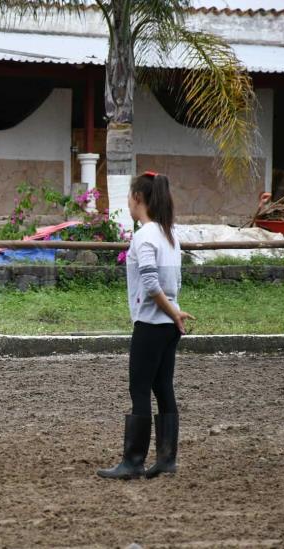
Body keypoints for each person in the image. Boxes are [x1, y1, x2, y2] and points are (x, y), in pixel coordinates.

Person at [97, 171, 195, 480]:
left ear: (138, 198)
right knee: (162, 386)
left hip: (152, 323)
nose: (128, 201)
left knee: (139, 388)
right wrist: (175, 314)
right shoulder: (170, 234)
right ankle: (166, 458)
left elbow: (152, 284)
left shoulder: (144, 236)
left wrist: (171, 312)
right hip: (169, 326)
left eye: (129, 195)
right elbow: (171, 282)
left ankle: (133, 461)